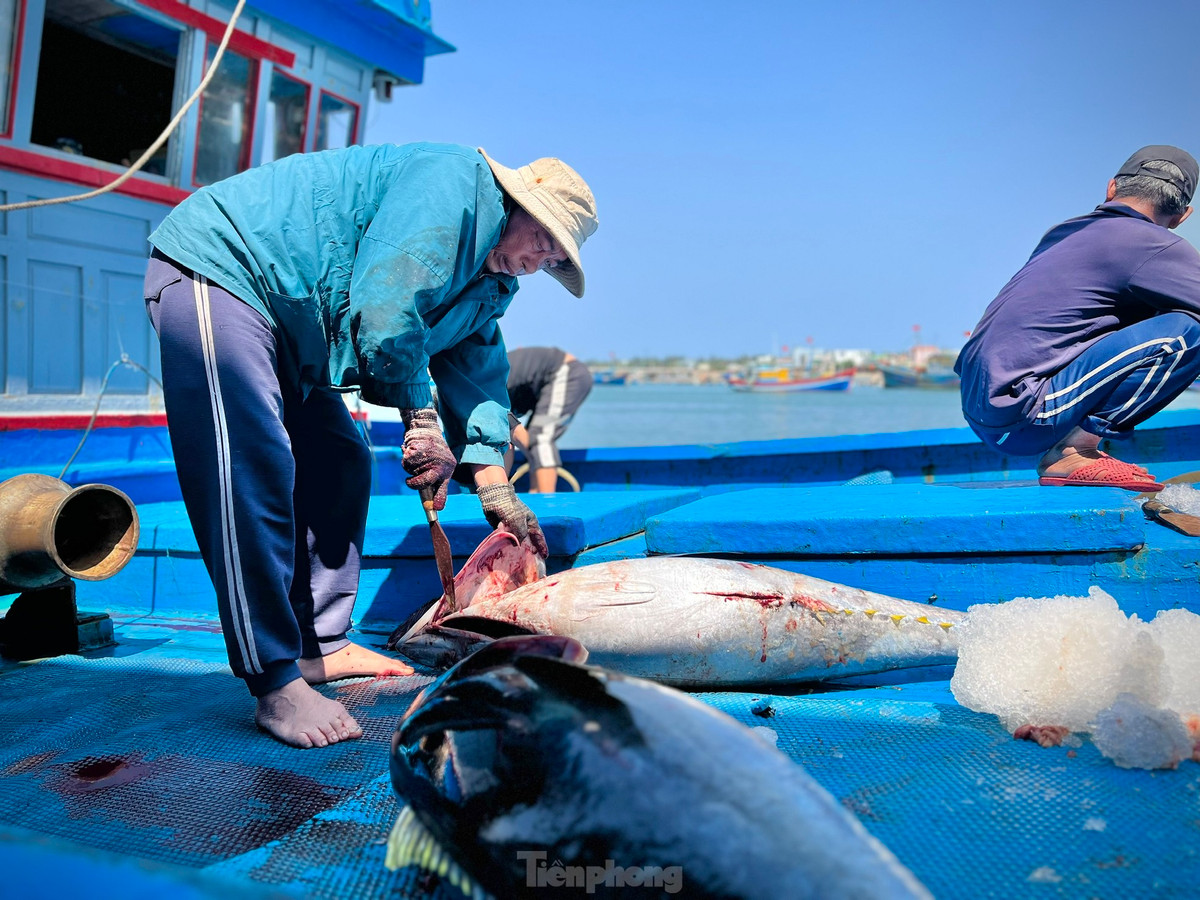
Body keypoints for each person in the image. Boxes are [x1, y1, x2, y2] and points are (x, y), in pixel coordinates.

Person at [142, 143, 597, 748]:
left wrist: (494, 486)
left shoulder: (490, 283)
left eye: (556, 257)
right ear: (516, 205)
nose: (541, 261)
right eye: (543, 239)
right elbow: (388, 304)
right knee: (251, 468)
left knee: (341, 462)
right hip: (225, 270)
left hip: (294, 331)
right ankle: (275, 681)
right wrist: (421, 420)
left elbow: (477, 373)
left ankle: (320, 645)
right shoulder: (455, 184)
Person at [956, 145, 1200, 492]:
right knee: (1189, 331)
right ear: (1181, 217)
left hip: (983, 413)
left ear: (1112, 188)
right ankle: (1074, 452)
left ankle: (1072, 444)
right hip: (1025, 416)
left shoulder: (1065, 232)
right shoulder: (1156, 246)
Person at [505, 347, 593, 493]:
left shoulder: (480, 386)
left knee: (541, 438)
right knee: (533, 439)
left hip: (565, 372)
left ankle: (547, 502)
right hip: (540, 385)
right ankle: (535, 493)